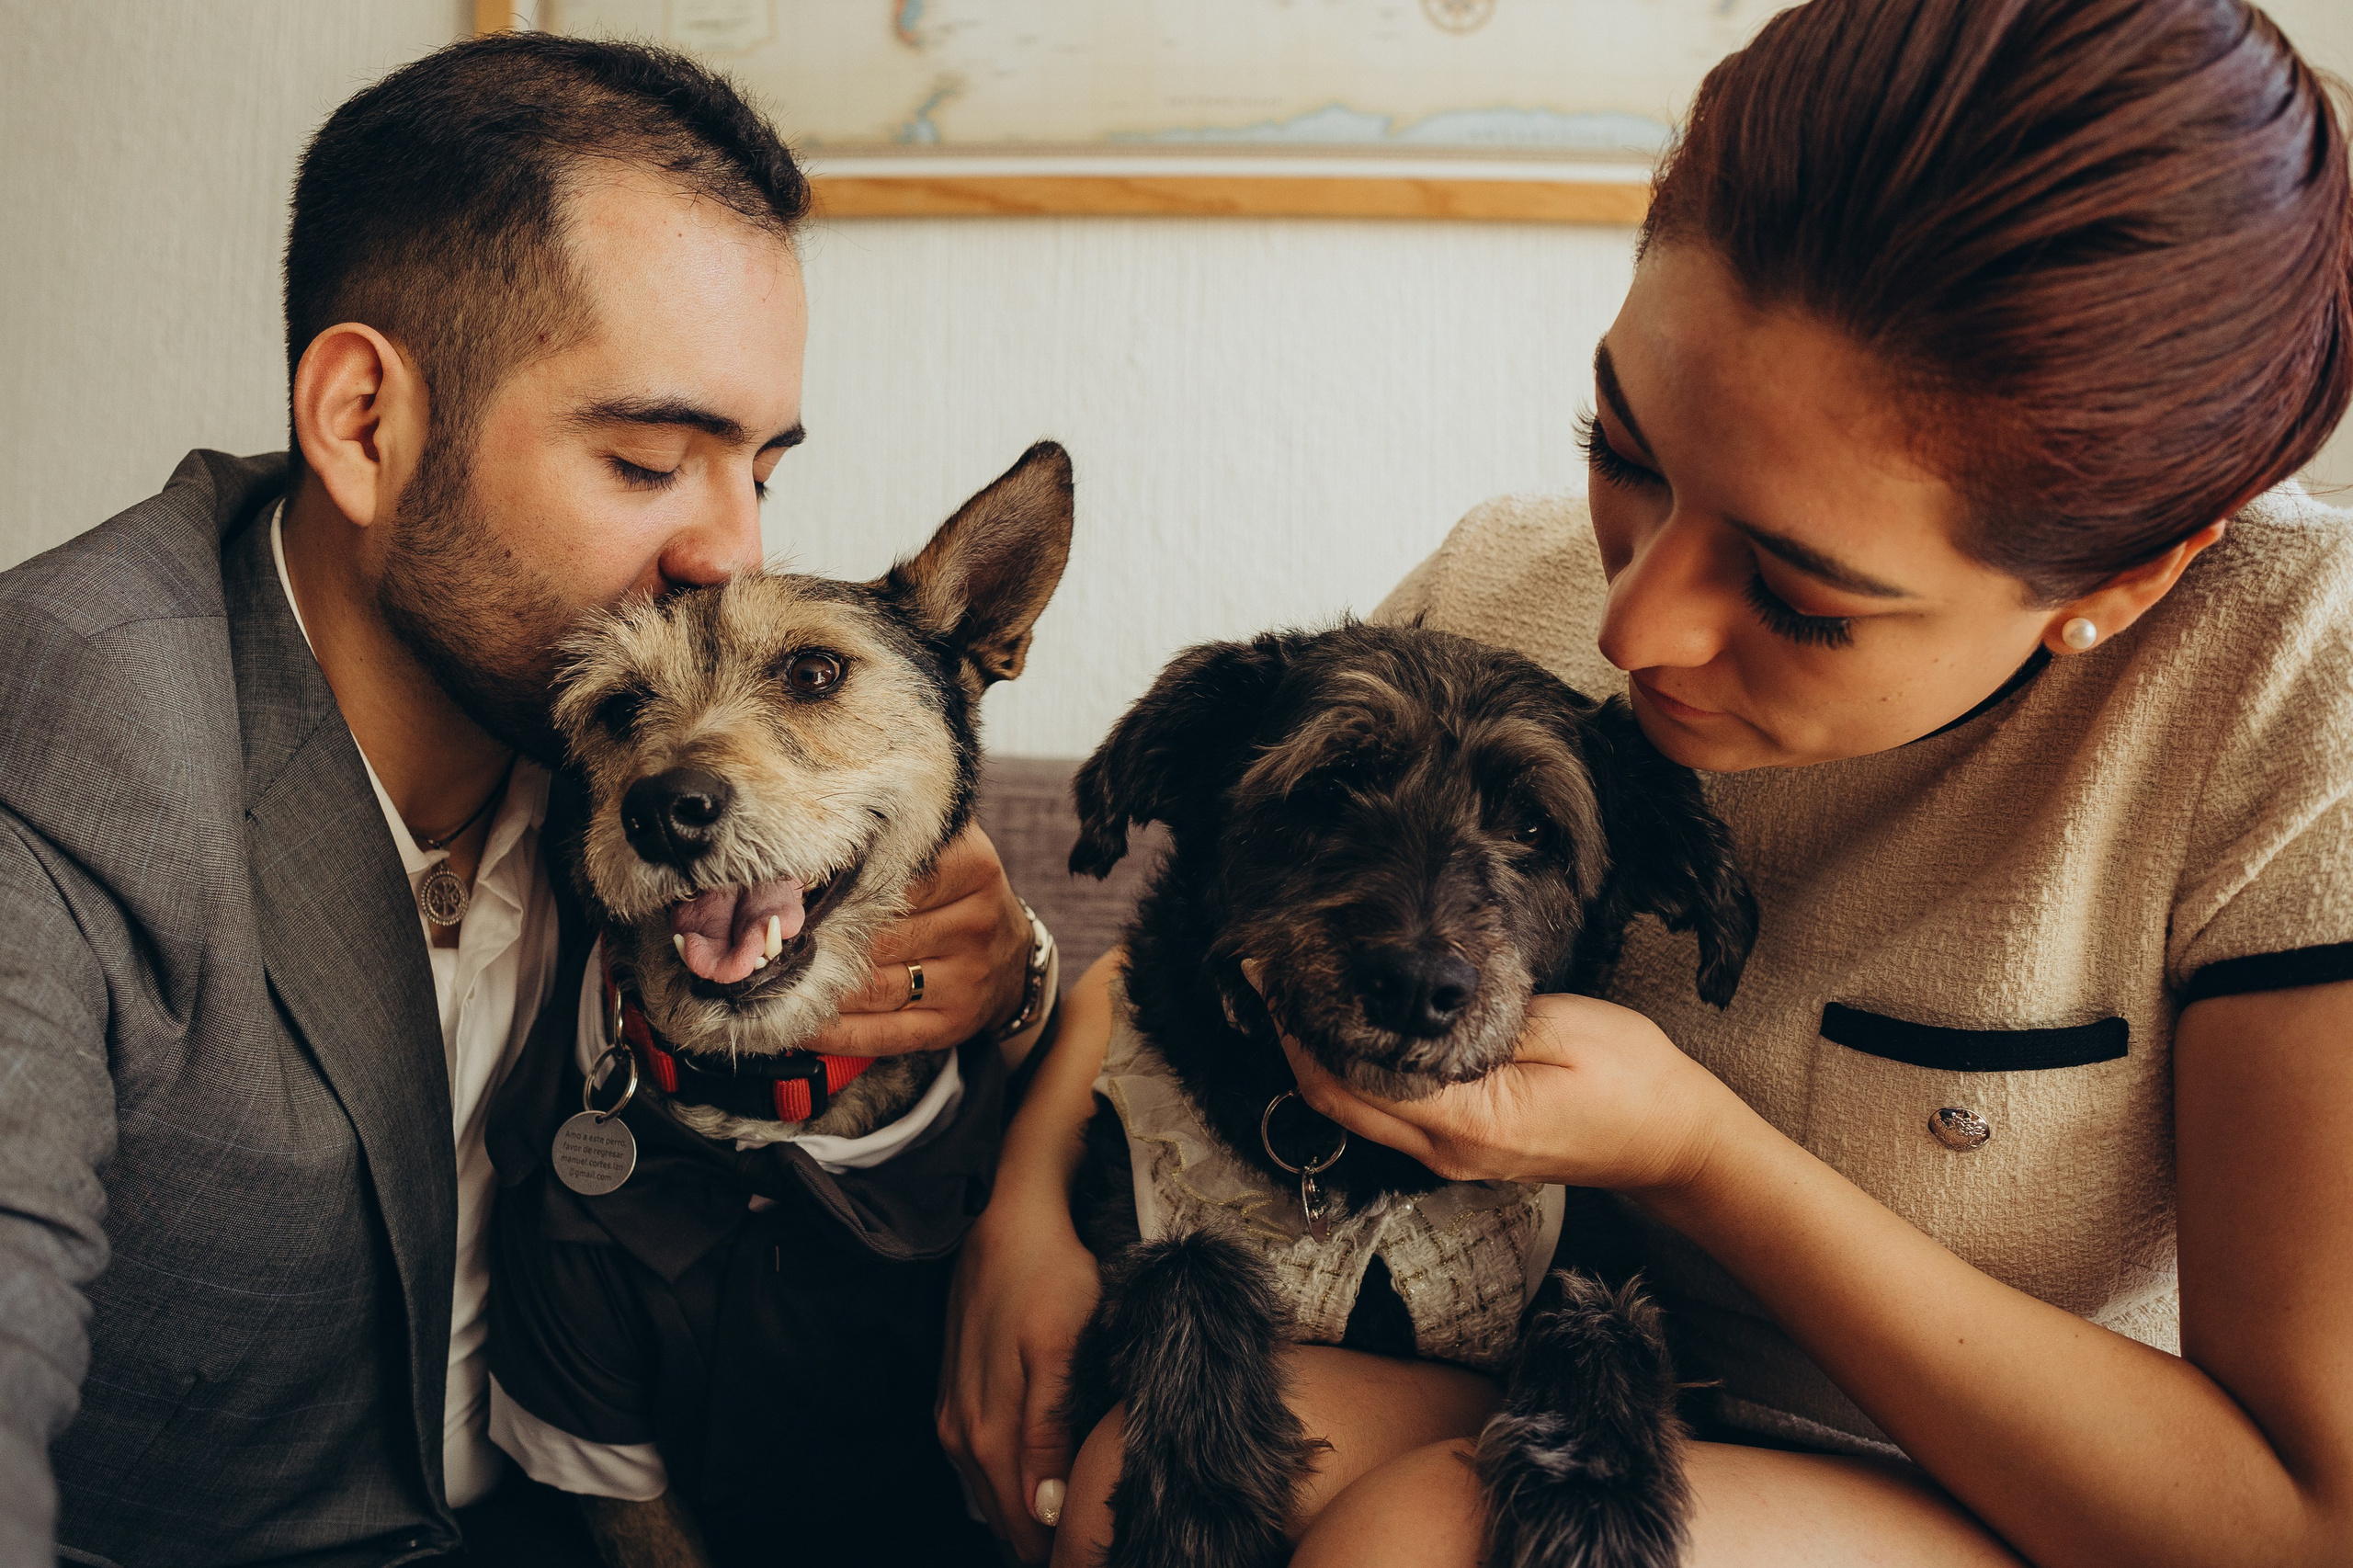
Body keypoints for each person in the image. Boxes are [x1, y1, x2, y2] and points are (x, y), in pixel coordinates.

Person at [939, 1, 2353, 1563]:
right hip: (1583, 1383)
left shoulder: (2289, 691)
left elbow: (2301, 1519)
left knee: (1426, 1543)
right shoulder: (1500, 588)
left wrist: (1701, 1153)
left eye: (1802, 594)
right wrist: (1021, 1214)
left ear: (2124, 580)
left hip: (2031, 1498)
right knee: (1152, 1473)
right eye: (1620, 450)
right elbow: (1209, 932)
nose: (1635, 624)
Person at [0, 33, 1044, 1566]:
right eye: (646, 460)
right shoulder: (71, 734)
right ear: (364, 423)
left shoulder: (626, 741)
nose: (730, 557)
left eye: (763, 468)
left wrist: (1013, 977)